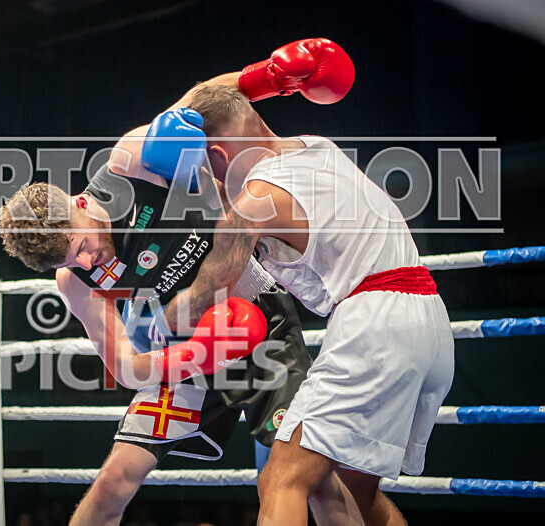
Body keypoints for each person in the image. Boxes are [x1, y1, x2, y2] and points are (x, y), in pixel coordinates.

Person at [0, 38, 363, 526]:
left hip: (260, 324)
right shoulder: (76, 282)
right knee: (113, 480)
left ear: (79, 204)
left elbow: (207, 96)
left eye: (81, 244)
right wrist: (194, 354)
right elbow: (126, 367)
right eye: (72, 259)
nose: (87, 258)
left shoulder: (133, 160)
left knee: (313, 479)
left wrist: (269, 78)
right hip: (185, 355)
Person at [153, 45, 454, 525]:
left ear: (213, 153)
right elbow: (216, 101)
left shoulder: (255, 199)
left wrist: (152, 322)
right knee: (356, 491)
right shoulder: (317, 145)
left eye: (204, 168)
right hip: (431, 324)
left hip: (375, 326)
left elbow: (207, 290)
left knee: (281, 479)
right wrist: (264, 78)